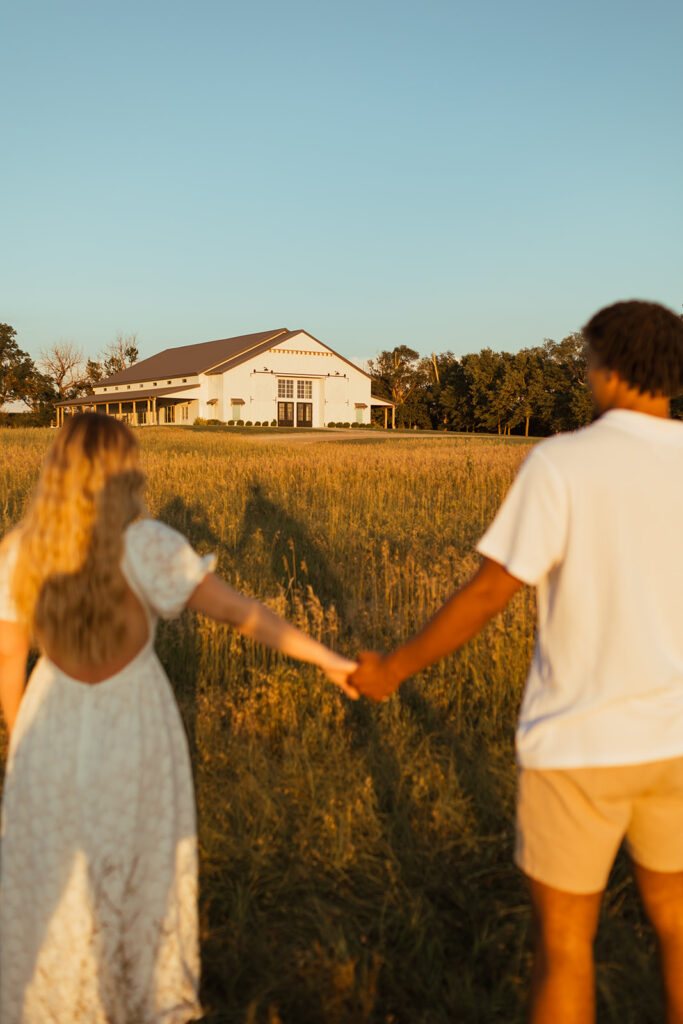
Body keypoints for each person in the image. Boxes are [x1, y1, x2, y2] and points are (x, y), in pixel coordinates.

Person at [350, 300, 683, 1024]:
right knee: (678, 927)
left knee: (565, 944)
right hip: (678, 742)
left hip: (580, 745)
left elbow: (493, 590)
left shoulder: (562, 461)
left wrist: (394, 669)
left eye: (587, 361)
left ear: (610, 366)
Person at [0, 412, 357, 1024]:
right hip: (132, 725)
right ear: (121, 474)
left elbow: (8, 659)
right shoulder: (149, 546)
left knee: (51, 867)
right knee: (142, 861)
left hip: (49, 724)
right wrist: (327, 659)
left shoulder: (19, 551)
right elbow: (243, 614)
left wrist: (21, 743)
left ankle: (56, 1002)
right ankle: (139, 996)